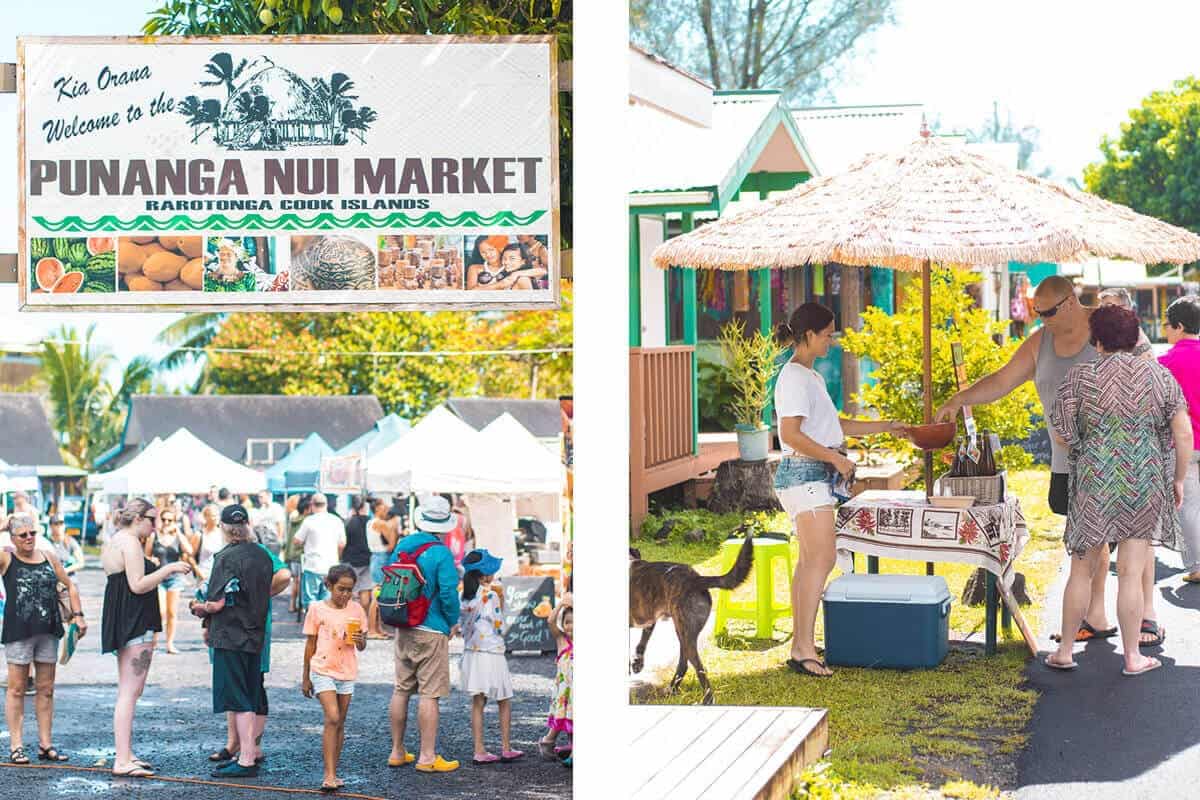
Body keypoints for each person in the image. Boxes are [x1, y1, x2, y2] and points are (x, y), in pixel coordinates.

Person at [936, 275, 1159, 645]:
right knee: (1093, 544)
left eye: (1048, 312)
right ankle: (1096, 615)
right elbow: (1002, 380)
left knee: (1122, 545)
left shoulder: (1117, 329)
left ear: (1071, 302)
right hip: (1068, 464)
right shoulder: (1041, 342)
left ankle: (1144, 618)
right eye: (1036, 313)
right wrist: (961, 400)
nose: (1041, 320)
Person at [1044, 305, 1191, 676]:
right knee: (1131, 571)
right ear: (1133, 335)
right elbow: (1183, 432)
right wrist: (1176, 478)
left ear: (1097, 338)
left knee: (1081, 569)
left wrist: (1085, 444)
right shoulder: (1158, 376)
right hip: (1143, 481)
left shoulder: (1081, 376)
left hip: (1094, 482)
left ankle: (1064, 651)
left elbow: (1061, 433)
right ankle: (1132, 657)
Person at [773, 303, 908, 677]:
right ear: (809, 335)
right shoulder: (795, 378)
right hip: (806, 476)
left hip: (809, 477)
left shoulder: (809, 377)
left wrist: (888, 425)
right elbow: (790, 434)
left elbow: (837, 426)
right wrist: (836, 461)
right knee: (822, 559)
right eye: (828, 334)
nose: (831, 341)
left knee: (810, 563)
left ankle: (801, 644)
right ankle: (802, 648)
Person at [101, 498, 191, 778]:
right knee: (129, 692)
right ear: (138, 518)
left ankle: (126, 754)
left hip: (127, 619)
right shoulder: (128, 542)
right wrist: (168, 568)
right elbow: (137, 585)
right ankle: (122, 760)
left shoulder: (120, 540)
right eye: (152, 519)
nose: (155, 526)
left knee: (130, 691)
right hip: (133, 621)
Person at [190, 505, 276, 779]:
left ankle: (247, 759)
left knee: (238, 700)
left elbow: (216, 603)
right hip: (255, 633)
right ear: (247, 525)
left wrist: (199, 608)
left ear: (224, 528)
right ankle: (249, 754)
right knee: (250, 695)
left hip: (230, 635)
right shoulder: (263, 555)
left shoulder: (225, 557)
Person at [387, 495, 461, 774]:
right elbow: (447, 593)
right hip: (432, 629)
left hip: (404, 624)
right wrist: (453, 621)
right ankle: (427, 756)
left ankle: (397, 751)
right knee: (429, 694)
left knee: (401, 688)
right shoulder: (442, 553)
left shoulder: (403, 545)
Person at [2, 514, 84, 765]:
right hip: (19, 632)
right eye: (23, 534)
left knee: (46, 689)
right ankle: (16, 746)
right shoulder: (6, 557)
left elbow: (69, 585)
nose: (29, 538)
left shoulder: (49, 556)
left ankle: (45, 744)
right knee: (16, 689)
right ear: (12, 538)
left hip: (49, 630)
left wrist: (78, 616)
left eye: (32, 533)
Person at [208, 524, 291, 770]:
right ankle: (236, 745)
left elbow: (285, 575)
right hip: (236, 628)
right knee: (240, 687)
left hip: (246, 629)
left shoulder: (259, 552)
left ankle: (250, 750)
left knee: (250, 685)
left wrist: (260, 594)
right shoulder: (232, 552)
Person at [301, 564, 368, 792]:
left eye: (349, 590)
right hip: (322, 669)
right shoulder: (317, 609)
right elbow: (310, 644)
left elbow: (362, 645)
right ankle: (328, 774)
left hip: (347, 671)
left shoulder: (357, 610)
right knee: (332, 716)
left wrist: (360, 640)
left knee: (340, 722)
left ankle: (334, 771)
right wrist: (306, 677)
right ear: (329, 585)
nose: (345, 595)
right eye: (341, 589)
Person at [459, 549, 522, 764]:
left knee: (478, 702)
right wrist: (502, 601)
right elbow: (499, 626)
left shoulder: (464, 597)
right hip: (492, 653)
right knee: (504, 700)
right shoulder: (492, 595)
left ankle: (479, 749)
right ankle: (506, 747)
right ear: (484, 574)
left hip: (472, 654)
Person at [1159, 296, 1200, 582]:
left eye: (1167, 325)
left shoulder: (1166, 362)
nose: (1165, 331)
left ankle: (1197, 564)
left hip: (1185, 444)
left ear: (1180, 325)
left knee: (1188, 504)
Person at [145, 506, 194, 654]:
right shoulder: (154, 536)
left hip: (175, 578)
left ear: (174, 521)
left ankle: (169, 643)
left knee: (172, 612)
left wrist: (178, 532)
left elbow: (190, 550)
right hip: (158, 577)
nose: (166, 522)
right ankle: (153, 641)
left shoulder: (178, 536)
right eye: (164, 519)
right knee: (160, 612)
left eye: (170, 520)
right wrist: (151, 559)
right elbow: (146, 555)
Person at [292, 494, 346, 609]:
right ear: (326, 504)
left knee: (311, 601)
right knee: (327, 600)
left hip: (312, 566)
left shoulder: (309, 521)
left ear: (311, 505)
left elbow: (296, 541)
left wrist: (304, 543)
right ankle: (324, 625)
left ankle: (312, 625)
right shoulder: (336, 520)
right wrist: (337, 557)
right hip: (331, 566)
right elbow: (342, 544)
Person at [538, 602, 573, 766]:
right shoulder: (562, 641)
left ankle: (569, 750)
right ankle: (548, 743)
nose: (571, 626)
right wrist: (561, 604)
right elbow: (551, 621)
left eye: (575, 621)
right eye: (567, 622)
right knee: (564, 718)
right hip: (565, 692)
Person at [366, 498, 398, 638]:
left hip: (375, 557)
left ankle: (377, 628)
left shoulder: (370, 522)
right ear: (378, 508)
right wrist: (394, 526)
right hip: (382, 558)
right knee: (378, 595)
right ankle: (372, 629)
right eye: (384, 508)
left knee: (378, 594)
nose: (387, 511)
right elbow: (392, 544)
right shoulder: (380, 524)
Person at [340, 496, 375, 621]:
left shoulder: (348, 522)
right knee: (365, 589)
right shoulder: (370, 521)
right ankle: (362, 618)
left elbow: (343, 542)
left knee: (349, 591)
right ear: (364, 507)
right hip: (367, 559)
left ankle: (350, 618)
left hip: (351, 560)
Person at [193, 504, 225, 583]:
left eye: (217, 515)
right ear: (206, 517)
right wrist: (199, 573)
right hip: (204, 576)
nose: (216, 518)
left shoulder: (224, 533)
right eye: (213, 515)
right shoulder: (199, 535)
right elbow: (189, 557)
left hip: (221, 576)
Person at [250, 490, 285, 555]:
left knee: (273, 560)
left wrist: (280, 538)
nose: (259, 499)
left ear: (268, 496)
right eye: (259, 497)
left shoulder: (276, 507)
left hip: (274, 540)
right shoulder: (262, 509)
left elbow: (280, 523)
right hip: (263, 540)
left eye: (261, 497)